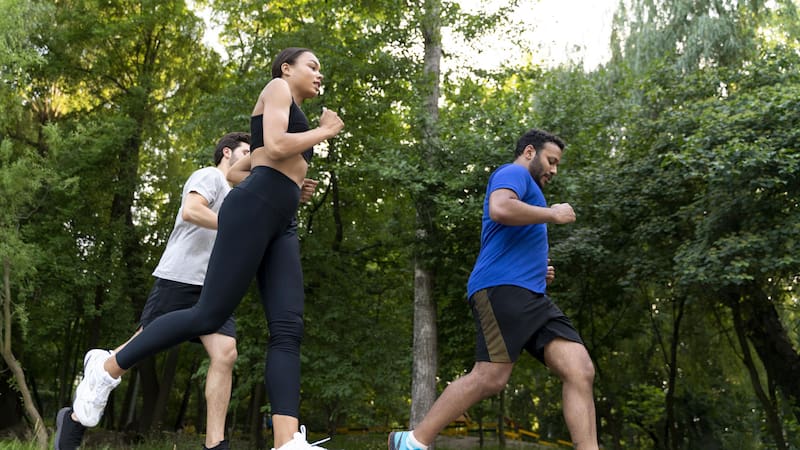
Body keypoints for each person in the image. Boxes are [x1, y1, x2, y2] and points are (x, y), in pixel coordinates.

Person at [70, 47, 344, 450]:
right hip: (253, 209)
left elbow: (237, 169)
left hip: (282, 220)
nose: (320, 74)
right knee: (207, 315)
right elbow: (277, 145)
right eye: (313, 66)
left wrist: (290, 183)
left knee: (288, 328)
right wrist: (324, 131)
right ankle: (106, 368)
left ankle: (288, 441)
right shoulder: (277, 88)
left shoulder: (293, 112)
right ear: (287, 68)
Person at [388, 129, 599, 450]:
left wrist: (538, 271)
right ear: (530, 152)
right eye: (551, 161)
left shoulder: (530, 190)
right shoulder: (513, 172)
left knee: (580, 369)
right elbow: (500, 207)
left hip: (532, 296)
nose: (554, 170)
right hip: (501, 290)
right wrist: (554, 214)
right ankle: (412, 442)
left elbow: (509, 235)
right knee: (490, 377)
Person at [54, 132, 251, 450]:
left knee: (226, 354)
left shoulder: (240, 197)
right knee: (139, 348)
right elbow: (191, 210)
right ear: (227, 153)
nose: (251, 160)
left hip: (213, 288)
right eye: (246, 152)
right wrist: (232, 226)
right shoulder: (210, 175)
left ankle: (216, 444)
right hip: (181, 279)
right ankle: (78, 413)